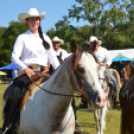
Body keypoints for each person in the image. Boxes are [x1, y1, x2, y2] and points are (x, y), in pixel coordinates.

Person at [2, 8, 60, 134]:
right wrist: (26, 69)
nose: (35, 21)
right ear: (27, 21)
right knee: (15, 94)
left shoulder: (46, 38)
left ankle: (72, 123)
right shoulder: (22, 38)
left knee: (65, 89)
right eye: (32, 19)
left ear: (39, 21)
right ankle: (8, 126)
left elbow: (52, 58)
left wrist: (60, 71)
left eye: (37, 19)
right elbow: (14, 57)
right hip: (28, 73)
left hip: (45, 72)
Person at [52, 36, 82, 134]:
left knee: (70, 97)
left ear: (60, 44)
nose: (56, 44)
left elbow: (69, 64)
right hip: (50, 75)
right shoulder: (49, 51)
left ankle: (75, 121)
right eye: (54, 43)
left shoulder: (64, 53)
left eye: (57, 42)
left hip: (62, 76)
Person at [89, 36, 119, 105]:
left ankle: (114, 98)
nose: (91, 45)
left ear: (97, 43)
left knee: (113, 80)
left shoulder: (104, 50)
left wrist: (106, 65)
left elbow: (109, 60)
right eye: (90, 43)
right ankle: (84, 101)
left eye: (92, 43)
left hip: (102, 69)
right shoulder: (89, 51)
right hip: (92, 70)